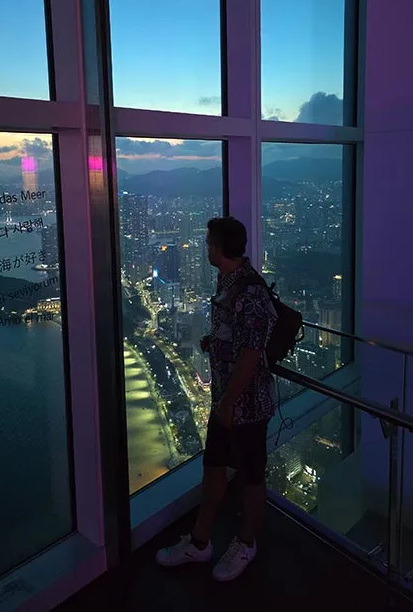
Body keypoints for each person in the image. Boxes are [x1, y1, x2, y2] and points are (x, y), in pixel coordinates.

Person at [156, 217, 277, 581]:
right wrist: (215, 342)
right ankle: (199, 542)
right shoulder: (228, 281)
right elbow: (235, 337)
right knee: (213, 471)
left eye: (210, 243)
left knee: (252, 478)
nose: (206, 247)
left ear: (222, 248)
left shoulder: (251, 291)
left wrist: (227, 403)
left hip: (247, 407)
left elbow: (252, 354)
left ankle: (246, 543)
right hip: (224, 402)